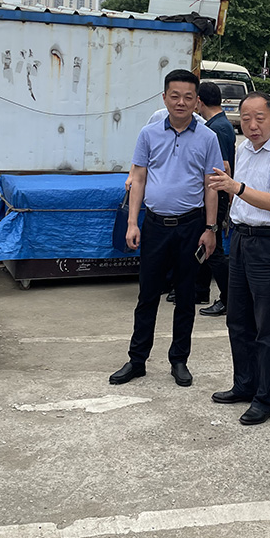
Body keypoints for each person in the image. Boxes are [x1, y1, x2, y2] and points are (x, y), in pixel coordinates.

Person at [109, 70, 221, 388]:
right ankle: (137, 360)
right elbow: (138, 178)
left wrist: (210, 228)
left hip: (191, 226)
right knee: (147, 295)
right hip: (155, 226)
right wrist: (133, 222)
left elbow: (211, 186)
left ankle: (179, 360)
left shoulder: (208, 138)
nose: (180, 102)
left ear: (197, 101)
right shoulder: (148, 134)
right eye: (175, 96)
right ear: (164, 98)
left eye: (188, 97)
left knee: (185, 297)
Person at [207, 92, 270, 425]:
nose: (252, 125)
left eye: (259, 118)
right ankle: (244, 384)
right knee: (238, 319)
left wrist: (236, 187)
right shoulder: (243, 148)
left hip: (269, 245)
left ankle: (266, 398)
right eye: (245, 118)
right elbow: (242, 199)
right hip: (242, 240)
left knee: (269, 327)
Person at [195, 81, 236, 316]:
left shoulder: (215, 129)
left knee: (214, 249)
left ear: (199, 101)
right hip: (219, 194)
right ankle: (200, 290)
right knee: (206, 245)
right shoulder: (222, 124)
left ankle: (229, 297)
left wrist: (228, 195)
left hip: (216, 194)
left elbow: (224, 166)